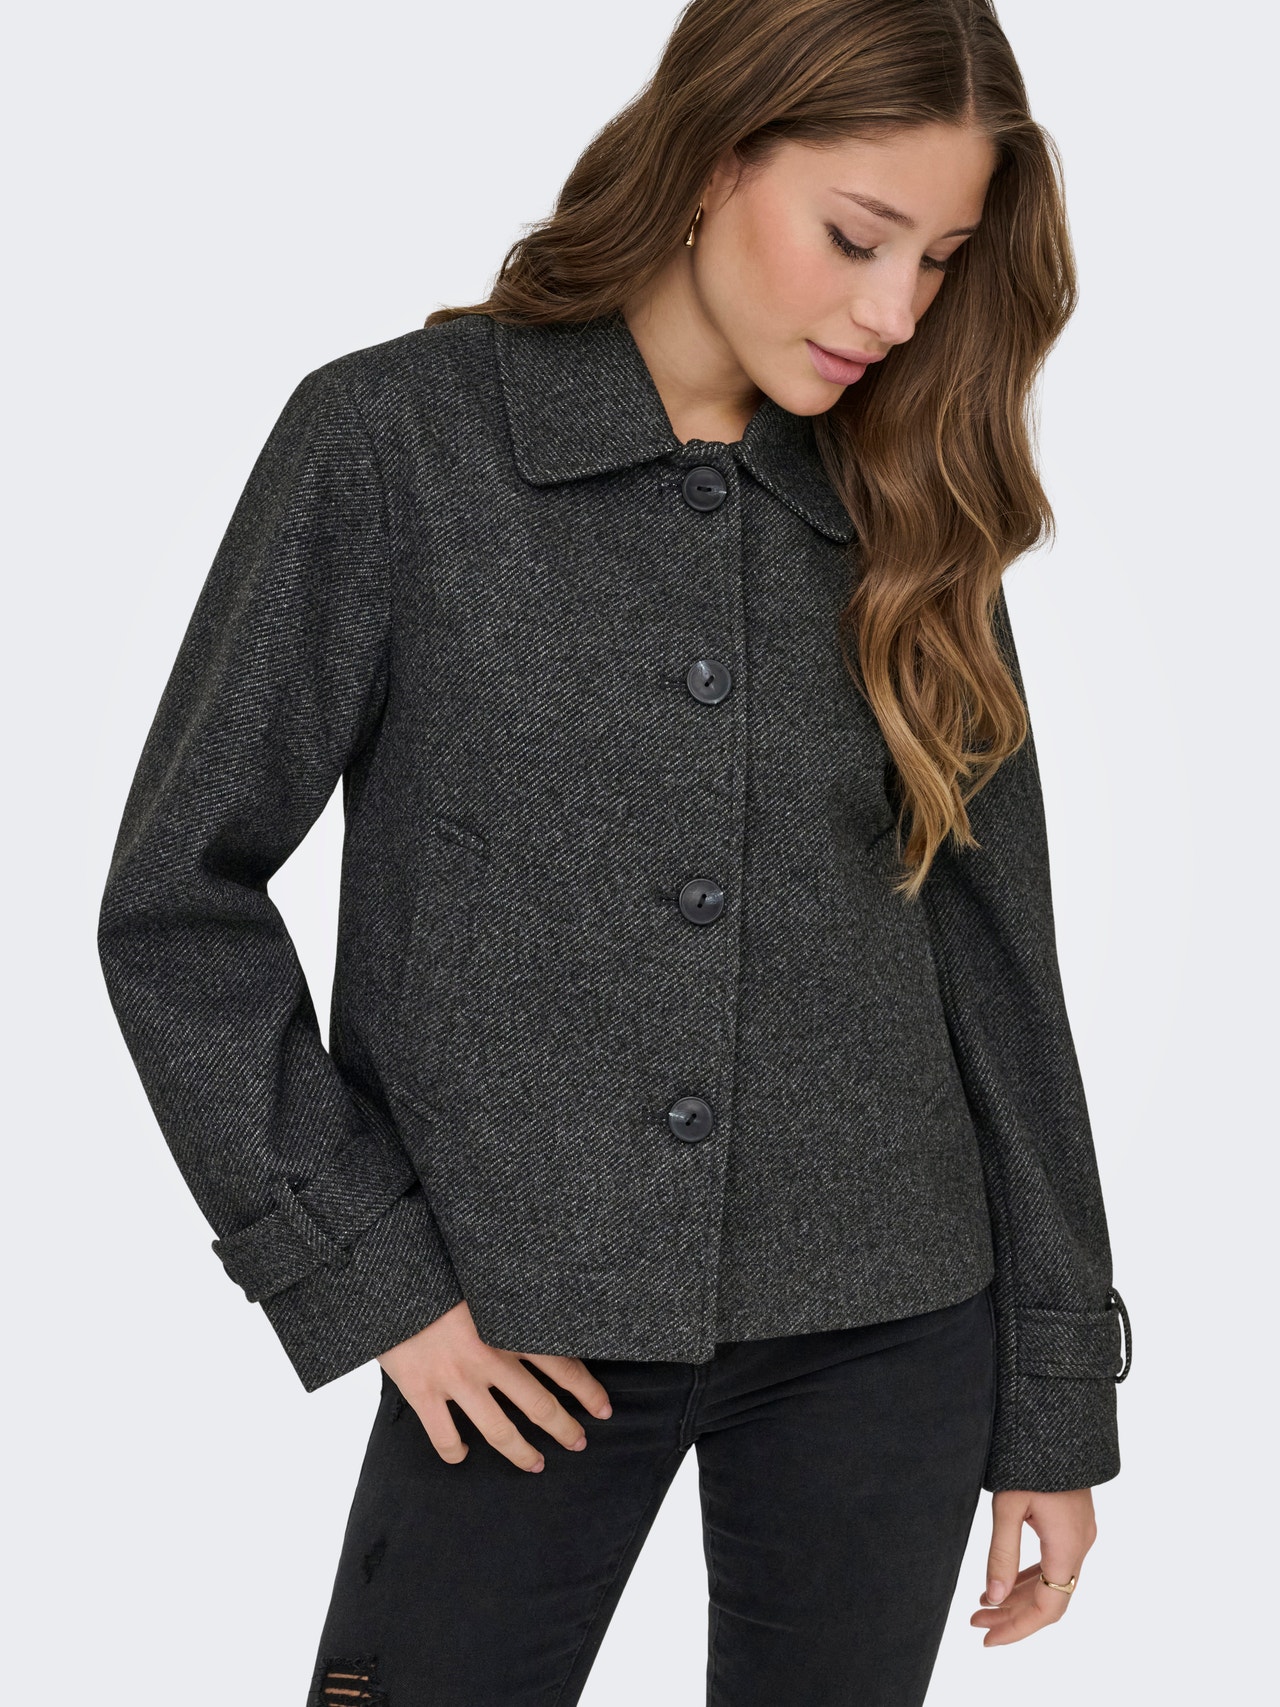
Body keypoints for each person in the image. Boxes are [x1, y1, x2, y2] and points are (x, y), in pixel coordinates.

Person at [96, 1, 1133, 1702]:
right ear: (714, 162)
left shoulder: (908, 498)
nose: (896, 312)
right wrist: (370, 1276)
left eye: (940, 262)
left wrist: (1054, 1401)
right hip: (511, 1326)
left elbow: (1000, 967)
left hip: (891, 1326)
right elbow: (177, 905)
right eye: (857, 238)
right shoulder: (395, 445)